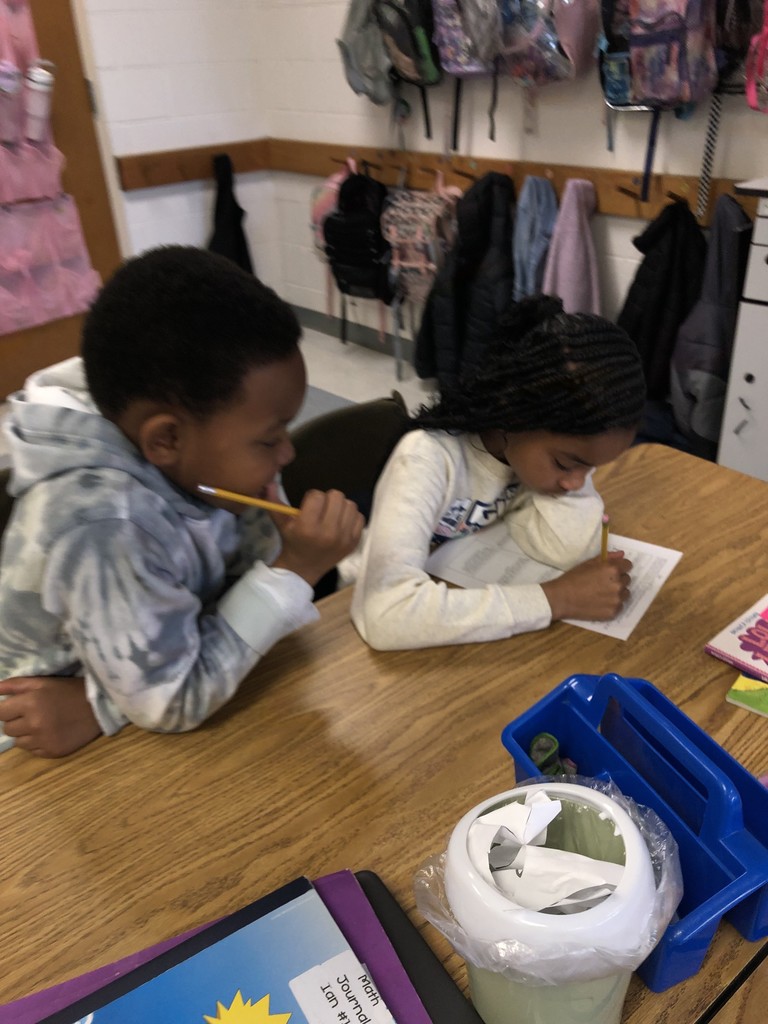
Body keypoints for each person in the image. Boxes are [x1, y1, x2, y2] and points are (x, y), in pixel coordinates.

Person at [0, 246, 364, 757]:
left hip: (149, 675)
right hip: (49, 747)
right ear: (165, 439)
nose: (287, 453)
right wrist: (296, 569)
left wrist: (282, 553)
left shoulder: (206, 458)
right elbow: (173, 700)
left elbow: (237, 586)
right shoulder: (104, 522)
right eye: (269, 438)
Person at [349, 295, 645, 651]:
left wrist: (570, 475)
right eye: (567, 465)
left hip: (453, 597)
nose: (577, 483)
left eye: (591, 467)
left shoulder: (526, 450)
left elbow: (571, 550)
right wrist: (558, 599)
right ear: (512, 415)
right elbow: (386, 613)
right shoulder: (426, 459)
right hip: (353, 614)